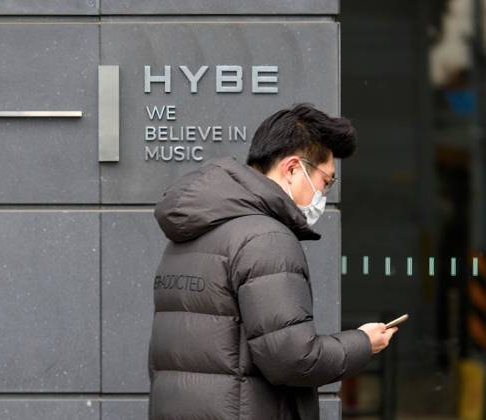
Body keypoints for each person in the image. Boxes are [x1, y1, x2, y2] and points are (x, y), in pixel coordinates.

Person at [147, 103, 398, 419]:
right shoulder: (267, 238)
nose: (325, 193)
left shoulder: (188, 232)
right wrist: (364, 343)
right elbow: (293, 359)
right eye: (326, 181)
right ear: (293, 169)